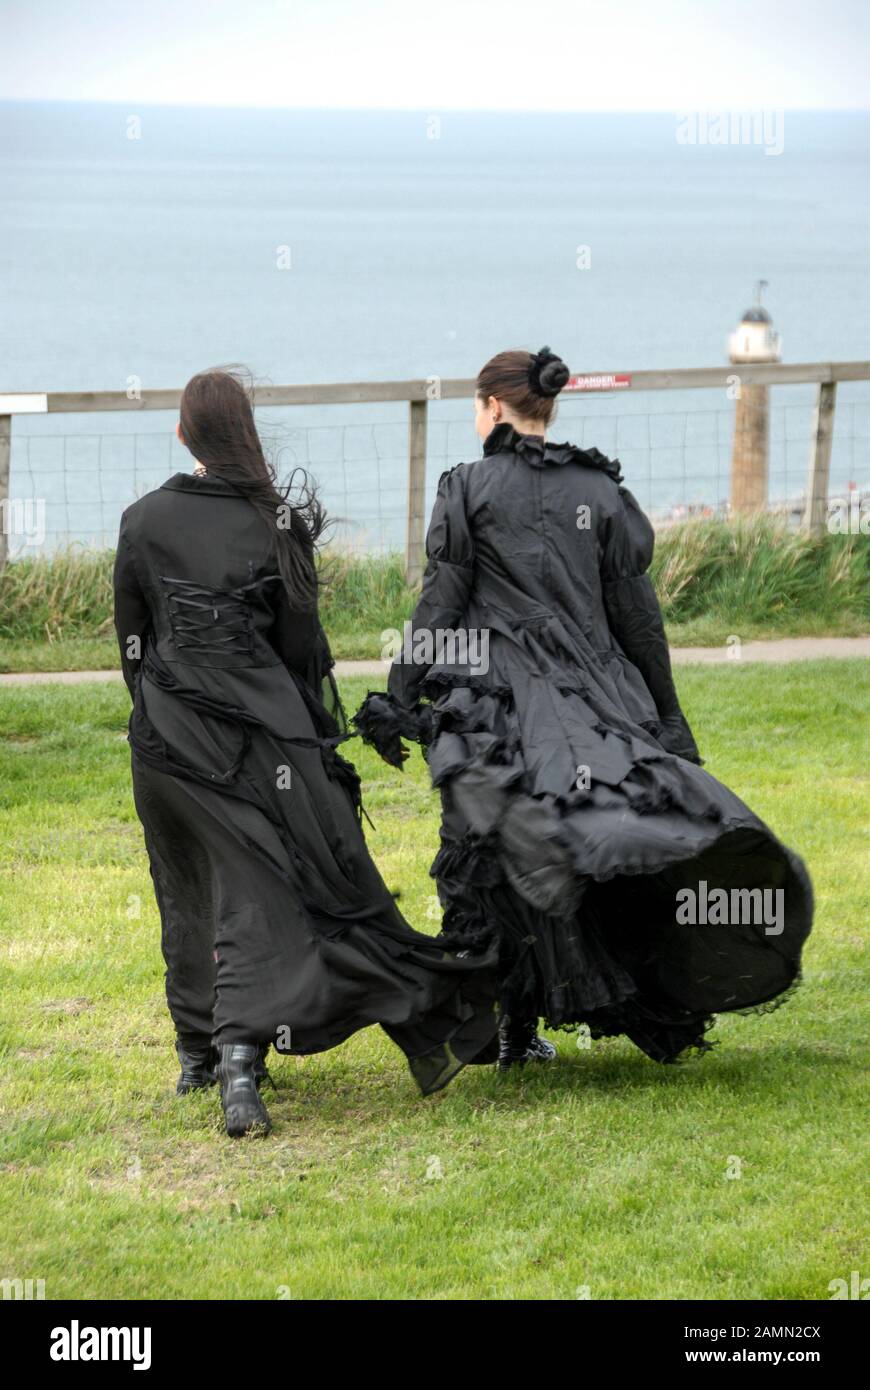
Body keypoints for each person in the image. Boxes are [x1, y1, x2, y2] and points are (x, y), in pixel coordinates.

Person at [355, 347, 813, 1069]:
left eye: (476, 405)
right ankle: (522, 1026)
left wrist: (399, 687)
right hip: (594, 698)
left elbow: (441, 602)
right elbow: (640, 622)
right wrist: (666, 717)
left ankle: (505, 1030)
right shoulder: (599, 491)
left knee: (494, 851)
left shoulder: (468, 487)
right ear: (548, 406)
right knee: (579, 842)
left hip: (497, 699)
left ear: (492, 407)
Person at [113, 368, 499, 1137]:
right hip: (262, 734)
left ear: (184, 433)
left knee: (188, 887)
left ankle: (207, 1055)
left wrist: (163, 711)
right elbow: (299, 651)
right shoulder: (278, 519)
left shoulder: (142, 518)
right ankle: (230, 1062)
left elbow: (133, 640)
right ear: (244, 431)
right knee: (268, 889)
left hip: (166, 737)